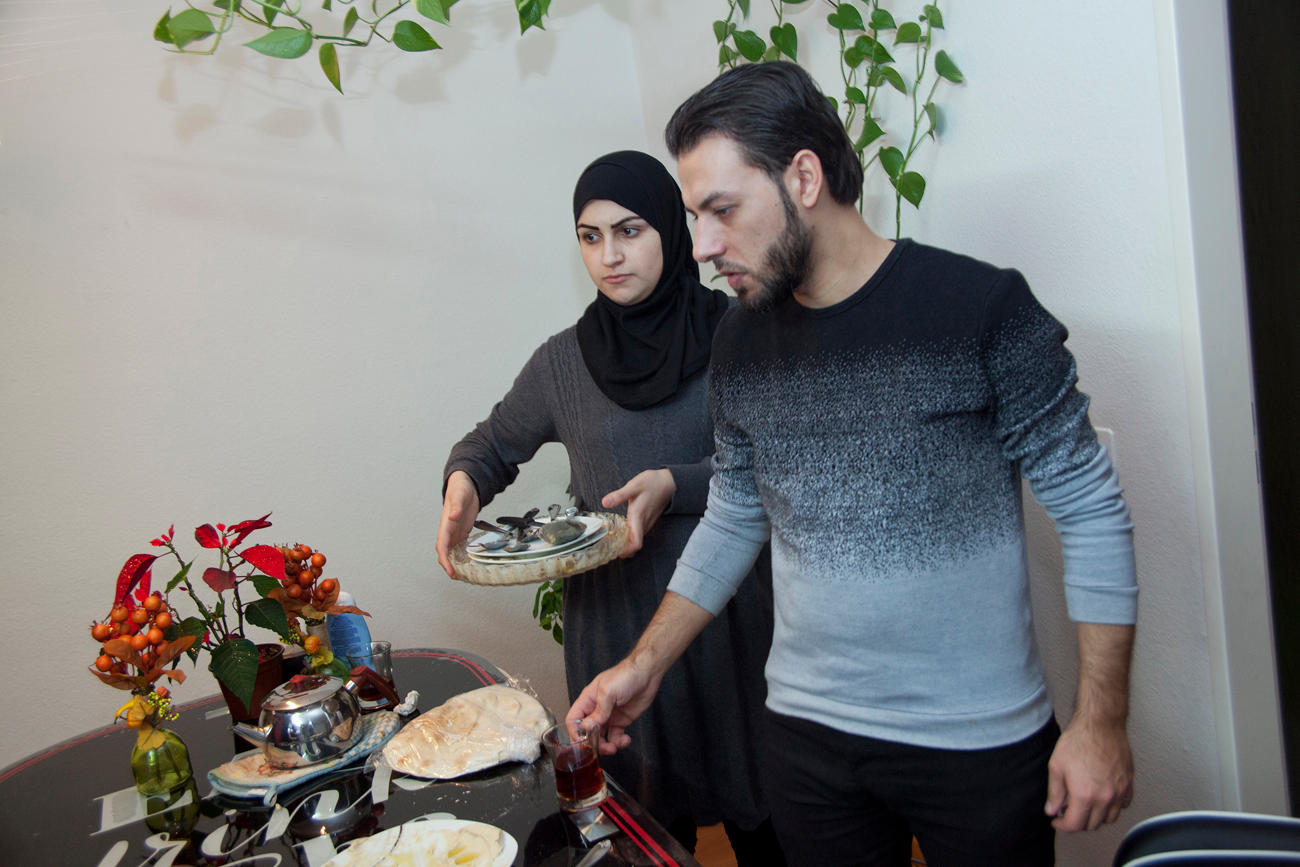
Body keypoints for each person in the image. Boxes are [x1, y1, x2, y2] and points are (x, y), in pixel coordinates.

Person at [568, 63, 1139, 866]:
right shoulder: (740, 339)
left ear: (803, 176)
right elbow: (736, 512)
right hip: (807, 744)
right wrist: (643, 663)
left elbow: (1090, 509)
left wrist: (1101, 720)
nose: (701, 246)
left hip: (979, 742)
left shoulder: (979, 309)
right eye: (695, 216)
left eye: (722, 210)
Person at [435, 150, 784, 863]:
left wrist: (675, 484)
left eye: (629, 231)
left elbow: (780, 460)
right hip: (616, 632)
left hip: (730, 625)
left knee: (769, 829)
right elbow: (493, 441)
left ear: (671, 230)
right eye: (590, 237)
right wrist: (464, 483)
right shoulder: (563, 362)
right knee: (646, 837)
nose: (610, 255)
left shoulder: (740, 333)